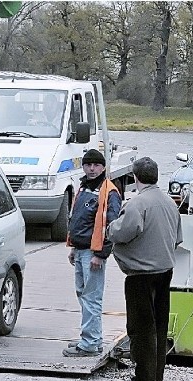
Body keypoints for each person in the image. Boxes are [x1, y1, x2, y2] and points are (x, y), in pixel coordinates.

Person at [107, 156, 182, 381]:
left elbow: (122, 232)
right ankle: (156, 377)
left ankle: (144, 378)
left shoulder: (137, 204)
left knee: (141, 326)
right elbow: (178, 239)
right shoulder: (170, 204)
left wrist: (109, 227)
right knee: (159, 325)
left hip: (140, 274)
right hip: (165, 271)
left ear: (135, 177)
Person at [63, 149, 122, 357]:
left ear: (103, 167)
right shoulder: (84, 188)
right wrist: (73, 247)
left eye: (96, 165)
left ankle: (90, 343)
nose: (91, 168)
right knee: (83, 295)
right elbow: (77, 218)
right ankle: (91, 337)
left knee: (91, 297)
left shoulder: (109, 192)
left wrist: (101, 254)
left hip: (93, 253)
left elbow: (111, 225)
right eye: (88, 165)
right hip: (80, 250)